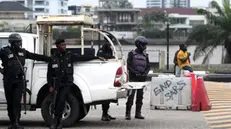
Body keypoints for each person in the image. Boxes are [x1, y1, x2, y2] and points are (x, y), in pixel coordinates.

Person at [47, 39, 101, 129]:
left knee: (61, 101)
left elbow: (82, 58)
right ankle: (54, 122)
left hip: (66, 84)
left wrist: (95, 57)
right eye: (62, 45)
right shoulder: (53, 58)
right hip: (56, 84)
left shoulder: (69, 56)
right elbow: (49, 74)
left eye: (65, 45)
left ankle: (59, 123)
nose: (64, 46)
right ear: (57, 46)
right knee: (55, 102)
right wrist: (50, 86)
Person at [0, 33, 50, 129]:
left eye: (20, 42)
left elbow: (35, 56)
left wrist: (49, 59)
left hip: (19, 81)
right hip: (8, 81)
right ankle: (12, 122)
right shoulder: (4, 51)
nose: (19, 44)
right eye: (18, 42)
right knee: (10, 103)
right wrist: (1, 70)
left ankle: (16, 123)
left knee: (17, 102)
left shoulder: (22, 52)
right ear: (12, 42)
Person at [125, 36, 150, 120]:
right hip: (133, 78)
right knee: (131, 96)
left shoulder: (145, 55)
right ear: (138, 44)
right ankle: (128, 113)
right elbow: (128, 65)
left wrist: (145, 73)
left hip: (142, 79)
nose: (145, 47)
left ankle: (138, 113)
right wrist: (135, 73)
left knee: (140, 96)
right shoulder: (131, 53)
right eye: (143, 45)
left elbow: (148, 66)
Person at [97, 43, 116, 121]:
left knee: (108, 98)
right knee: (105, 98)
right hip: (103, 75)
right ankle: (104, 114)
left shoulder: (109, 49)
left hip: (108, 74)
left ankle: (106, 113)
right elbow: (100, 57)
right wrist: (111, 57)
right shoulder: (102, 49)